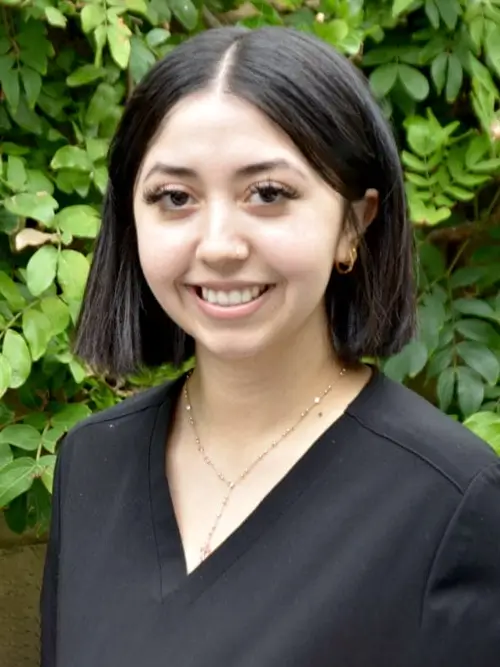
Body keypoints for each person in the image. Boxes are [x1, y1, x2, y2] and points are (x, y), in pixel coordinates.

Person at [40, 25, 500, 667]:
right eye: (175, 198)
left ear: (354, 224)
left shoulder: (455, 502)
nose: (219, 244)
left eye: (269, 194)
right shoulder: (92, 463)